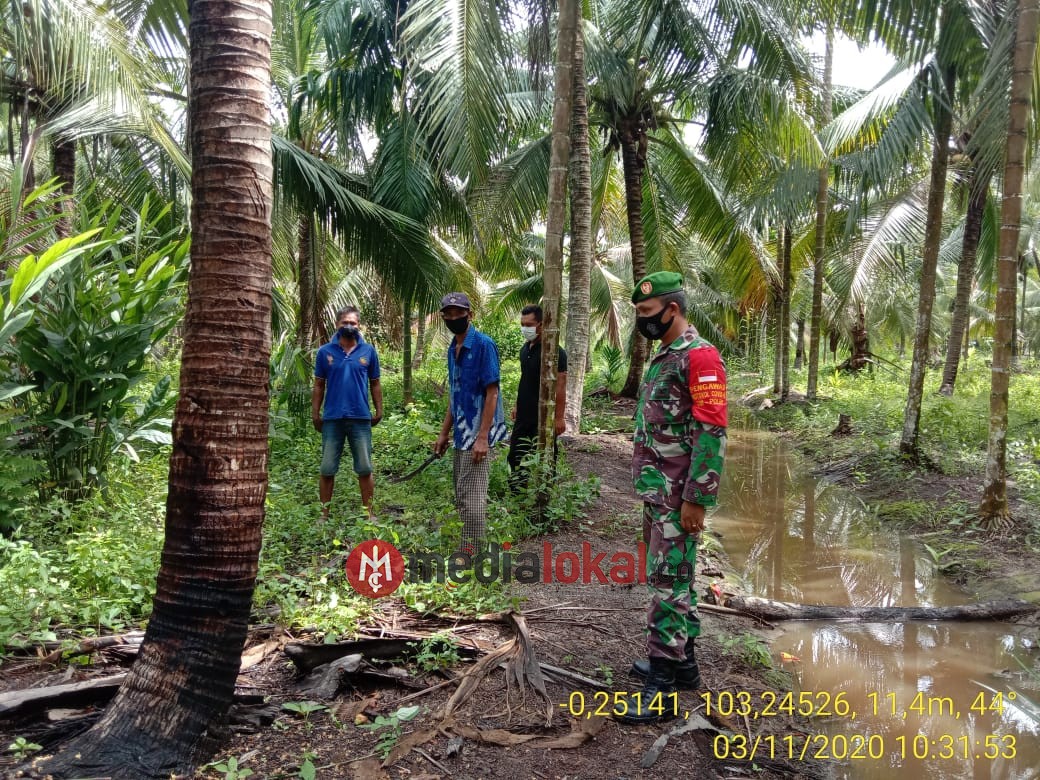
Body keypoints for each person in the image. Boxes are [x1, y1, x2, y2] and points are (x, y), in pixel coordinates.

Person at [615, 271, 727, 725]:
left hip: (679, 494)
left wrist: (698, 497)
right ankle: (684, 666)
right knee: (677, 580)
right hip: (659, 490)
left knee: (667, 586)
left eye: (646, 313)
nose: (642, 321)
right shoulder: (667, 355)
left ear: (672, 309)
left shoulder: (700, 358)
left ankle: (660, 691)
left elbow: (712, 429)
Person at [432, 293, 508, 552]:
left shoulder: (484, 345)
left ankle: (474, 552)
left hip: (477, 434)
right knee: (462, 494)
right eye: (448, 314)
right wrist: (444, 433)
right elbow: (455, 396)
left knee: (472, 497)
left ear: (470, 314)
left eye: (458, 313)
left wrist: (483, 437)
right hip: (461, 435)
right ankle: (470, 545)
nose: (453, 318)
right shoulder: (452, 349)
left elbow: (492, 392)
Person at [312, 306, 383, 520]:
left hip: (360, 417)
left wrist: (379, 410)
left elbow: (375, 383)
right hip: (332, 418)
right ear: (337, 324)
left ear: (359, 325)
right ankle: (324, 515)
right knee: (327, 468)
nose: (349, 326)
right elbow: (318, 385)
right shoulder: (325, 352)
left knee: (364, 467)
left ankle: (369, 514)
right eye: (345, 322)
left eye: (353, 323)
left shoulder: (368, 351)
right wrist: (315, 413)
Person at [507, 304, 567, 492]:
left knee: (546, 457)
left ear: (541, 324)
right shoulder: (525, 349)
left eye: (530, 324)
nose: (525, 328)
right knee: (515, 456)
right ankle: (518, 496)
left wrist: (559, 417)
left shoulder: (554, 352)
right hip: (523, 415)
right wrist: (517, 405)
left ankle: (545, 497)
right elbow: (525, 379)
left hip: (543, 417)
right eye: (522, 324)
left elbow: (561, 385)